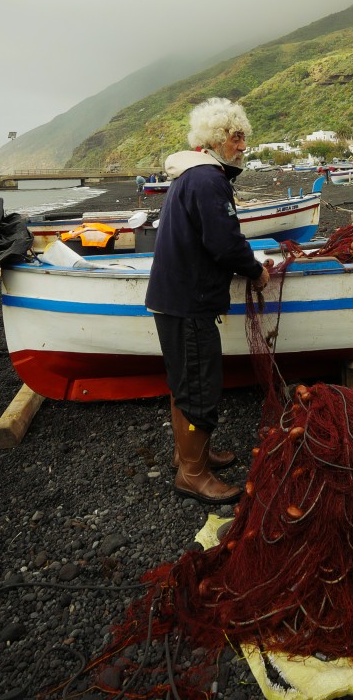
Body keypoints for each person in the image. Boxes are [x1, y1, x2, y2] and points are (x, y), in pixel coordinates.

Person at [145, 97, 270, 504]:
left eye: (243, 138)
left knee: (187, 382)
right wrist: (255, 269)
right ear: (217, 139)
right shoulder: (207, 180)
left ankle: (192, 455)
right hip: (189, 303)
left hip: (177, 299)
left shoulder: (194, 177)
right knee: (198, 386)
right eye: (237, 138)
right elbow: (224, 242)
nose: (242, 146)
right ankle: (192, 475)